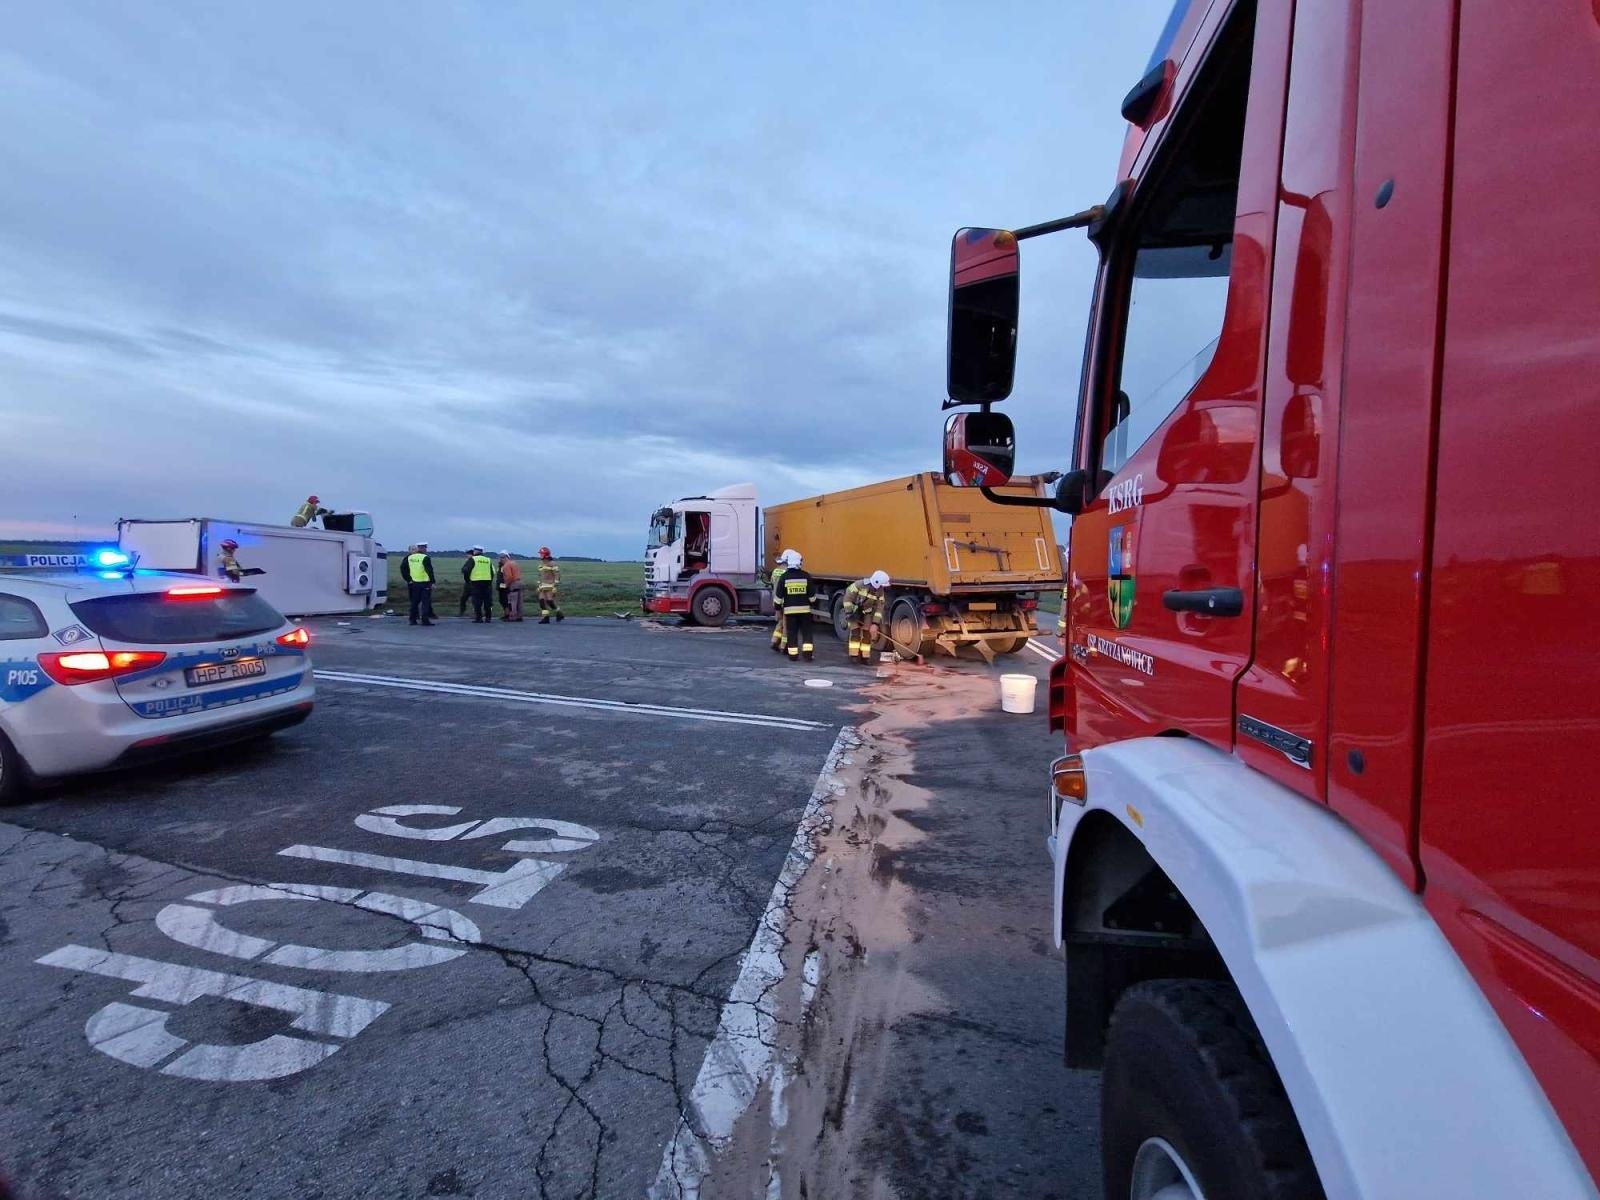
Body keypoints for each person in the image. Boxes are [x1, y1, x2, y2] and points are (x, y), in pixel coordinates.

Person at [844, 570, 890, 663]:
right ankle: (854, 655)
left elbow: (879, 608)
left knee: (867, 634)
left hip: (867, 613)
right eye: (881, 585)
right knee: (855, 633)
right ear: (876, 582)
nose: (882, 587)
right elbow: (847, 598)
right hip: (853, 612)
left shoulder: (880, 591)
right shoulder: (858, 585)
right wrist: (849, 613)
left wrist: (875, 623)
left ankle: (865, 657)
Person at [780, 551, 814, 662]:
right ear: (799, 562)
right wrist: (812, 602)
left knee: (792, 633)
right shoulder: (806, 576)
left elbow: (778, 596)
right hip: (805, 612)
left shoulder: (784, 577)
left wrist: (777, 608)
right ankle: (807, 656)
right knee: (807, 633)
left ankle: (793, 656)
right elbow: (812, 596)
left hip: (790, 612)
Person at [402, 543, 437, 625]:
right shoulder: (425, 557)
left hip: (414, 583)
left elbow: (404, 569)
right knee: (425, 602)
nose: (426, 550)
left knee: (414, 602)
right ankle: (425, 620)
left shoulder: (410, 557)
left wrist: (408, 579)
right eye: (425, 548)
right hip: (425, 583)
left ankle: (412, 619)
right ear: (422, 549)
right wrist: (432, 582)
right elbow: (429, 570)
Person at [769, 550, 794, 653]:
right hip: (785, 601)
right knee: (786, 623)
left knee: (780, 621)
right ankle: (783, 645)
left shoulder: (775, 571)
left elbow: (772, 583)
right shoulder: (787, 572)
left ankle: (774, 640)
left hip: (776, 600)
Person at [466, 546, 495, 622]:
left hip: (476, 582)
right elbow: (492, 572)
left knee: (477, 601)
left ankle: (479, 618)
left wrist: (468, 580)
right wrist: (490, 580)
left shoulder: (473, 559)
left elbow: (465, 570)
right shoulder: (488, 560)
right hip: (487, 583)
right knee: (487, 601)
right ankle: (488, 618)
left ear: (475, 551)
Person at [536, 547, 564, 623]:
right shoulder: (541, 564)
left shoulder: (552, 564)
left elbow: (557, 575)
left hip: (550, 585)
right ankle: (546, 617)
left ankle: (559, 613)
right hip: (542, 585)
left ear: (545, 555)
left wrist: (555, 585)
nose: (540, 555)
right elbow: (540, 575)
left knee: (549, 601)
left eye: (541, 554)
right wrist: (539, 584)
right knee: (541, 601)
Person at [498, 551, 524, 621]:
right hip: (519, 582)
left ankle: (512, 616)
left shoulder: (506, 566)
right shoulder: (514, 563)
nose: (500, 560)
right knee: (519, 601)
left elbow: (509, 577)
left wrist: (506, 585)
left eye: (501, 558)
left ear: (505, 558)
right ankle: (519, 616)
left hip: (513, 583)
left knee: (512, 601)